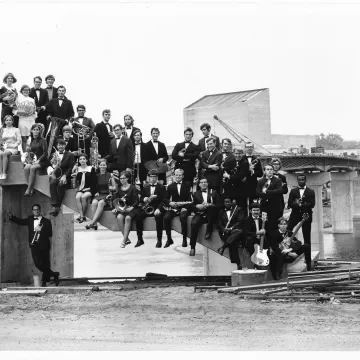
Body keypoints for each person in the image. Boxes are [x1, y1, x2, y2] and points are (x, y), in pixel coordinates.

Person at [8, 204, 59, 287]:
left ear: (40, 210)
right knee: (37, 263)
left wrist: (41, 230)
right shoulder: (30, 219)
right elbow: (20, 221)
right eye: (34, 210)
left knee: (45, 263)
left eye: (38, 209)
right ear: (32, 211)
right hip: (34, 245)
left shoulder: (47, 221)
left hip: (44, 245)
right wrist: (12, 217)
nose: (36, 211)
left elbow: (50, 234)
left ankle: (44, 282)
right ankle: (54, 274)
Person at [135, 170, 166, 248]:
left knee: (159, 218)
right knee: (138, 216)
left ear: (157, 178)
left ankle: (159, 240)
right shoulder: (146, 187)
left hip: (157, 208)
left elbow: (164, 200)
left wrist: (158, 209)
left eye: (154, 177)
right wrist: (144, 199)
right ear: (148, 178)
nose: (152, 179)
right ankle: (140, 239)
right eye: (151, 178)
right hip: (147, 208)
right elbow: (141, 198)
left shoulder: (161, 187)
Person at [189, 177, 220, 256]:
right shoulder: (195, 194)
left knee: (211, 211)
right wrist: (197, 206)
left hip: (212, 215)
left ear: (208, 183)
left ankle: (209, 231)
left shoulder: (214, 192)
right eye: (202, 182)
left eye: (205, 182)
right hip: (201, 214)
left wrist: (210, 205)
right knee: (194, 223)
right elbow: (191, 206)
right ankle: (192, 247)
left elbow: (219, 205)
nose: (203, 184)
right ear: (199, 184)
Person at [163, 168, 192, 248]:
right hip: (174, 207)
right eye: (176, 175)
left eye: (180, 175)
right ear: (174, 176)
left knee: (183, 218)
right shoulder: (170, 186)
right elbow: (165, 198)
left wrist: (186, 207)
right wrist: (170, 203)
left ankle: (184, 239)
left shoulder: (188, 185)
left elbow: (190, 199)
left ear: (183, 176)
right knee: (166, 218)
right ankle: (169, 239)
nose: (178, 176)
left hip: (184, 207)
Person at [287, 174, 315, 255]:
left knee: (307, 237)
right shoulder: (293, 191)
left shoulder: (311, 191)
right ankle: (290, 249)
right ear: (297, 181)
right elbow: (289, 204)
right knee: (287, 230)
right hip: (294, 215)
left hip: (306, 216)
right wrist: (297, 205)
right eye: (299, 180)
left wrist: (301, 205)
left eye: (302, 180)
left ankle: (308, 259)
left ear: (305, 181)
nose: (301, 181)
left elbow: (312, 204)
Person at [85, 159, 117, 230]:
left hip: (108, 195)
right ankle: (95, 224)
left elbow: (115, 188)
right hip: (99, 194)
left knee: (100, 203)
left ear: (106, 166)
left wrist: (112, 188)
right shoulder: (96, 176)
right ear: (99, 166)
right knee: (94, 203)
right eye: (101, 165)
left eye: (104, 165)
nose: (102, 166)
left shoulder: (110, 175)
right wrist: (95, 191)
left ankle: (92, 223)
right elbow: (94, 187)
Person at [112, 170, 140, 248]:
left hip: (132, 208)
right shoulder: (119, 188)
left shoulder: (133, 188)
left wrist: (131, 208)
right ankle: (126, 238)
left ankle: (124, 241)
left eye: (123, 178)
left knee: (128, 218)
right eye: (121, 178)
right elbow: (115, 199)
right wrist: (115, 208)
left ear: (127, 178)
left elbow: (137, 201)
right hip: (122, 208)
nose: (122, 180)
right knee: (119, 217)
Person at [217, 196, 246, 270]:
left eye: (228, 202)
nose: (227, 204)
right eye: (225, 202)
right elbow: (219, 223)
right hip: (226, 233)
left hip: (235, 230)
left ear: (232, 202)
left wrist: (231, 228)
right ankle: (238, 264)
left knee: (239, 232)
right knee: (233, 242)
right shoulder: (221, 211)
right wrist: (224, 229)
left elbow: (240, 221)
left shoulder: (238, 210)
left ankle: (223, 247)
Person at [48, 139, 75, 216]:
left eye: (62, 145)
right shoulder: (54, 154)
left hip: (66, 176)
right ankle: (54, 205)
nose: (61, 146)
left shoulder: (70, 155)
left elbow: (71, 167)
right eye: (59, 145)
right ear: (57, 146)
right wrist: (53, 162)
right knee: (52, 183)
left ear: (65, 145)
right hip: (56, 174)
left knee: (60, 185)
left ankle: (57, 206)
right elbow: (51, 165)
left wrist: (65, 175)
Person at [256, 164, 283, 230]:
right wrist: (271, 193)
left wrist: (267, 191)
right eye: (267, 169)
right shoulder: (260, 181)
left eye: (271, 169)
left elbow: (279, 191)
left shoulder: (277, 180)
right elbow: (258, 192)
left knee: (274, 226)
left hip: (275, 207)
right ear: (264, 171)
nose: (269, 171)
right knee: (264, 225)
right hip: (264, 206)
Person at [23, 123, 48, 196]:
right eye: (34, 130)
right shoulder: (31, 140)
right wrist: (29, 159)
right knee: (26, 168)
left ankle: (28, 189)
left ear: (39, 131)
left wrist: (38, 160)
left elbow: (45, 153)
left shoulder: (43, 140)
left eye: (37, 130)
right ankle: (31, 188)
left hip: (42, 161)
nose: (36, 131)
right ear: (31, 131)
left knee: (33, 168)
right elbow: (30, 153)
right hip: (34, 160)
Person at [73, 154, 97, 223]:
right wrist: (74, 170)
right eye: (80, 159)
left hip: (90, 188)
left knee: (83, 197)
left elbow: (94, 181)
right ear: (78, 161)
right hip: (81, 188)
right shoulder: (78, 169)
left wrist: (89, 188)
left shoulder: (91, 168)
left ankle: (81, 216)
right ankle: (82, 215)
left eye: (84, 159)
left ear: (86, 160)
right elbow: (76, 180)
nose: (82, 160)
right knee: (78, 197)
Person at [13, 85, 37, 152]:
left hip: (31, 120)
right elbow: (14, 110)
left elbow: (34, 110)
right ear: (21, 91)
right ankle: (24, 154)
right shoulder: (18, 99)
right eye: (24, 90)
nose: (26, 91)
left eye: (27, 90)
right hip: (22, 120)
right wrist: (20, 111)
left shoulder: (32, 99)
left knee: (33, 137)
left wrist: (33, 112)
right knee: (24, 138)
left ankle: (32, 154)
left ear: (29, 91)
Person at [243, 142, 263, 208]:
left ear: (253, 148)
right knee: (242, 204)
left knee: (253, 205)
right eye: (248, 147)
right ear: (245, 148)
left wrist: (253, 171)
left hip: (253, 185)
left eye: (251, 147)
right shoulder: (241, 158)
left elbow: (260, 174)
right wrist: (247, 170)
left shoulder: (257, 159)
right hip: (242, 185)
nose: (249, 148)